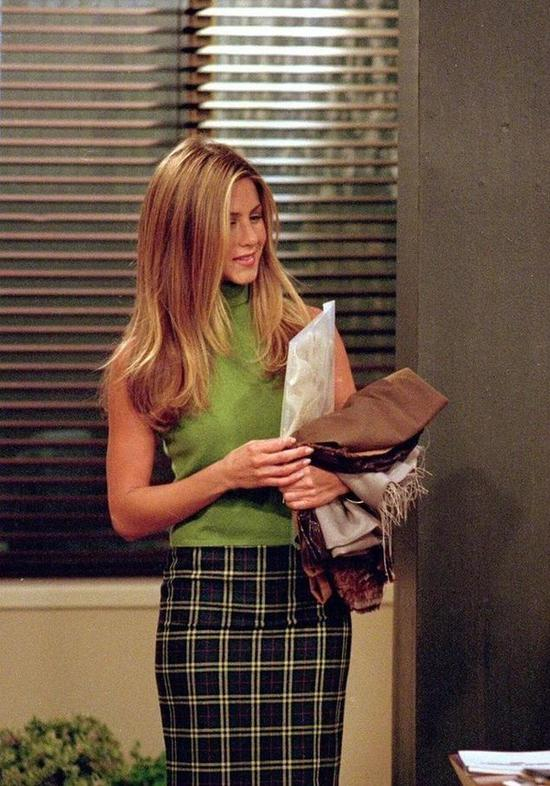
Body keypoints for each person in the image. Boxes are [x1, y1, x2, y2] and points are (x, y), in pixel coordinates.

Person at [103, 135, 356, 786]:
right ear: (185, 234)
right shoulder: (144, 360)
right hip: (205, 603)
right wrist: (226, 475)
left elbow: (366, 463)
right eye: (230, 223)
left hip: (306, 594)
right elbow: (128, 512)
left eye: (257, 217)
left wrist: (333, 479)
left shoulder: (308, 333)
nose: (251, 239)